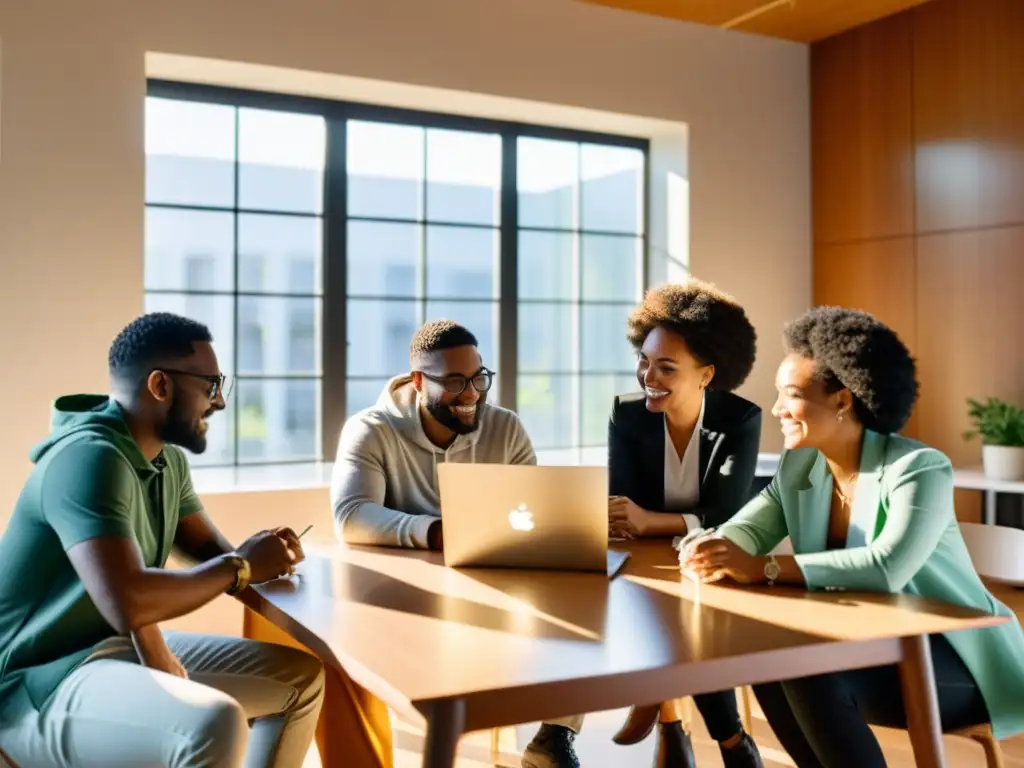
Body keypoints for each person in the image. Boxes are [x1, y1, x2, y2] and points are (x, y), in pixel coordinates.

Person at [683, 306, 1024, 768]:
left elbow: (887, 567)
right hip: (871, 647)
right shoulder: (802, 464)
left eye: (792, 395)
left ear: (843, 401)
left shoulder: (918, 468)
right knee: (763, 656)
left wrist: (759, 566)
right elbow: (749, 527)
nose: (778, 409)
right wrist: (710, 544)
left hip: (953, 659)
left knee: (806, 671)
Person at [0, 312, 326, 768]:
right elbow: (128, 599)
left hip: (109, 649)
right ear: (160, 386)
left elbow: (209, 551)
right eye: (210, 386)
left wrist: (261, 552)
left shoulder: (165, 461)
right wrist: (243, 567)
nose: (219, 402)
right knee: (214, 721)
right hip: (36, 682)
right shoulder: (87, 459)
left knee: (301, 679)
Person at [331, 318, 583, 768]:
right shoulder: (370, 430)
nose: (471, 394)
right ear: (417, 380)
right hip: (405, 600)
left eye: (478, 378)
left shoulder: (505, 430)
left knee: (576, 603)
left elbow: (533, 514)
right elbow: (351, 516)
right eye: (453, 382)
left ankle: (554, 736)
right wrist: (438, 531)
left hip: (493, 585)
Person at [607, 281, 765, 768]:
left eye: (666, 367)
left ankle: (662, 708)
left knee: (685, 618)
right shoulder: (627, 417)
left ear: (707, 374)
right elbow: (622, 504)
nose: (647, 376)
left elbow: (728, 513)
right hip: (653, 559)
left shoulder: (740, 420)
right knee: (648, 602)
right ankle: (728, 740)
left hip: (718, 553)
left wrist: (650, 519)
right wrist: (643, 522)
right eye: (644, 360)